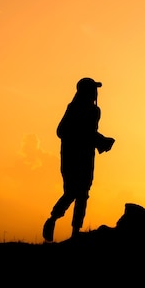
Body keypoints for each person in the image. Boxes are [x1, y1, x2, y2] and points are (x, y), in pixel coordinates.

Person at [43, 77, 115, 242]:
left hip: (86, 157)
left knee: (82, 194)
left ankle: (75, 231)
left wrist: (100, 141)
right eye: (93, 89)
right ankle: (53, 219)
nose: (96, 93)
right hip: (71, 158)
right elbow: (62, 131)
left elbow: (88, 133)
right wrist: (100, 140)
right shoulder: (75, 109)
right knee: (72, 192)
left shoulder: (94, 111)